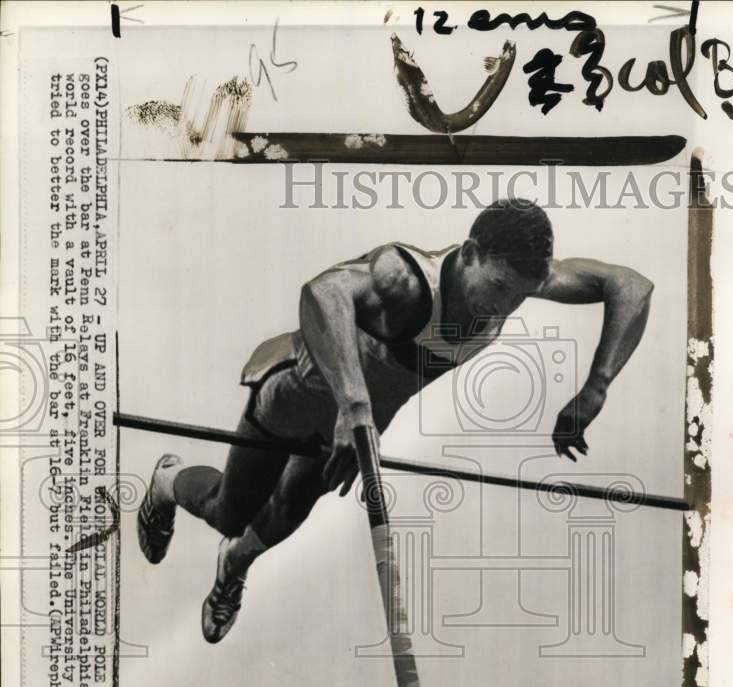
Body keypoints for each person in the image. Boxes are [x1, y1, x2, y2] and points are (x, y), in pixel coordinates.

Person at [137, 199, 653, 643]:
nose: (507, 303)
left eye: (523, 292)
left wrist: (596, 386)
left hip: (357, 425)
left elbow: (631, 286)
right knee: (230, 510)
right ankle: (166, 481)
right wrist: (354, 405)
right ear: (471, 254)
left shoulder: (514, 275)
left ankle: (234, 564)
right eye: (499, 288)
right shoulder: (403, 280)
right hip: (297, 392)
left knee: (289, 509)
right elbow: (322, 294)